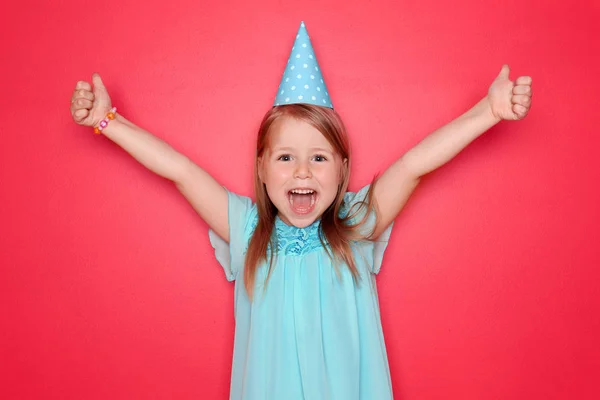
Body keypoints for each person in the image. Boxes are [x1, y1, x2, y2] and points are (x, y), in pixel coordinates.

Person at [69, 21, 532, 400]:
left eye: (319, 157)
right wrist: (107, 123)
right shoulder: (247, 229)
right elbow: (181, 172)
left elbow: (413, 165)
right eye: (286, 157)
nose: (302, 172)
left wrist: (487, 113)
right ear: (263, 170)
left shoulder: (356, 224)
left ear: (343, 169)